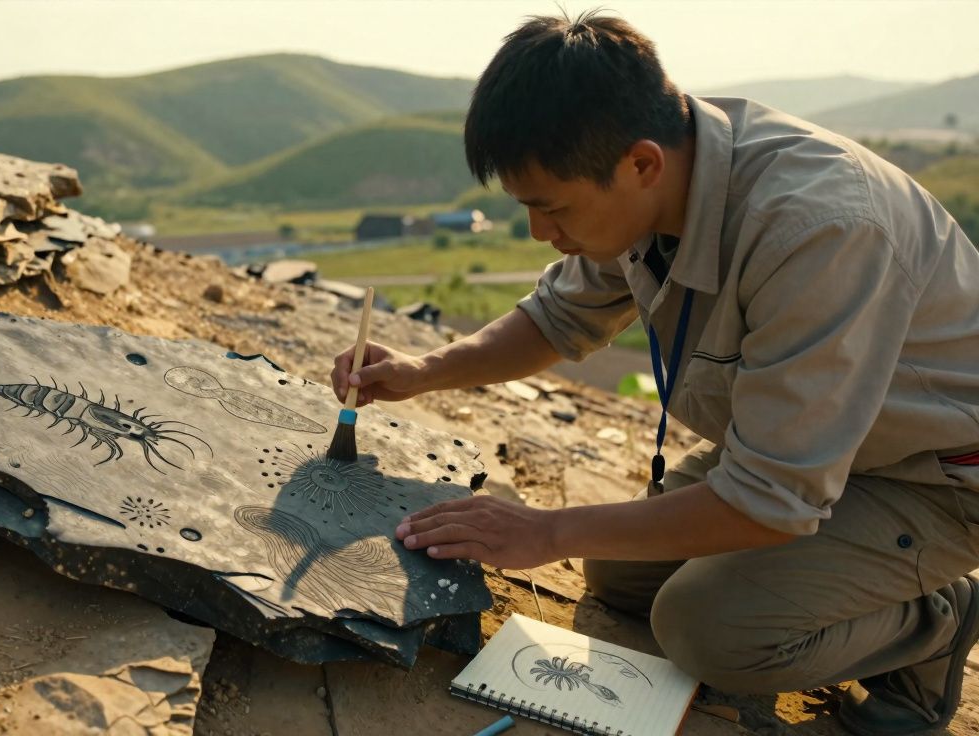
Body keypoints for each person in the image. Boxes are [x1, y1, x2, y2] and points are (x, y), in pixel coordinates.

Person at [330, 11, 979, 736]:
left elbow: (770, 500)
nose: (543, 234)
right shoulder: (650, 181)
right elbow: (556, 319)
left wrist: (546, 533)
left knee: (706, 629)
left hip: (933, 477)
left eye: (551, 208)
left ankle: (936, 620)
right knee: (618, 572)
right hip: (811, 447)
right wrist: (422, 370)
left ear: (641, 164)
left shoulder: (819, 229)